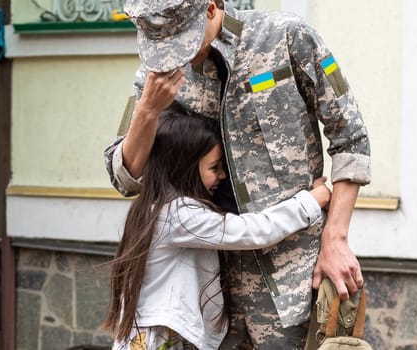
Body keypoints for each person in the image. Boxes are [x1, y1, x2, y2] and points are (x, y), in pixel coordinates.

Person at [104, 0, 371, 348]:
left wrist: (335, 240)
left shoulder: (288, 37)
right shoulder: (157, 74)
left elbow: (351, 138)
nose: (175, 56)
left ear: (212, 7)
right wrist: (148, 111)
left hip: (292, 282)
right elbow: (126, 177)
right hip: (208, 294)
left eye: (184, 40)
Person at [102, 110, 332, 350]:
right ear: (185, 168)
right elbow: (251, 231)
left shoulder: (153, 208)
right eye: (214, 167)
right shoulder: (178, 216)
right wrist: (311, 202)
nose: (222, 175)